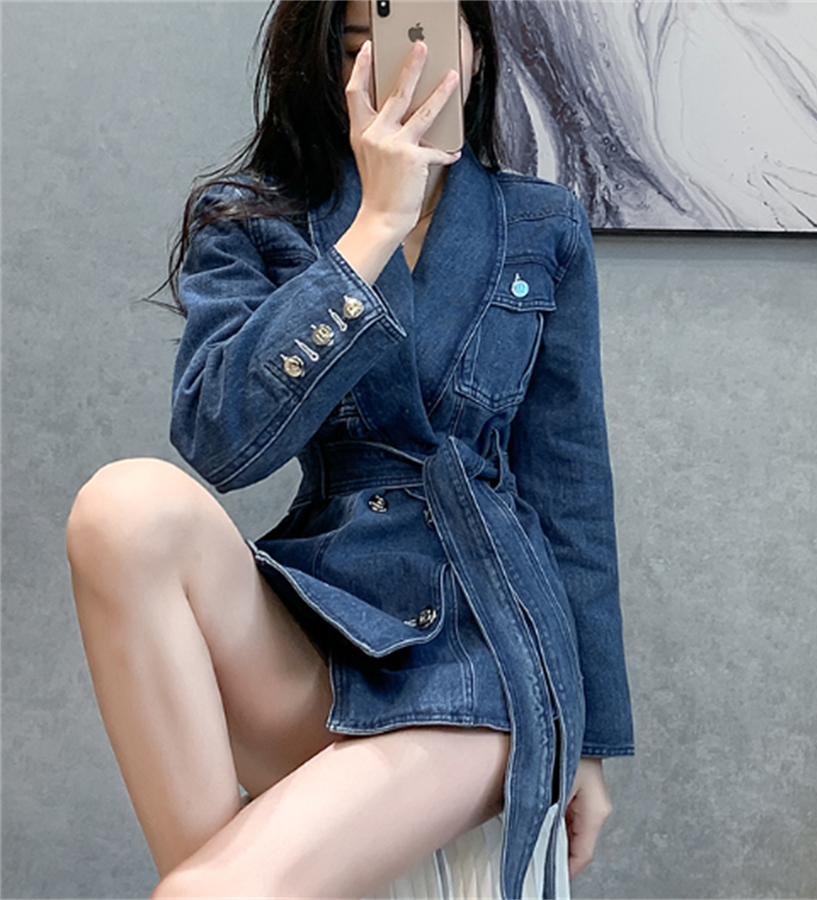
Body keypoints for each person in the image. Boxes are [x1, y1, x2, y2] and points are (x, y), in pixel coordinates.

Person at [65, 0, 633, 897]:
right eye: (352, 45)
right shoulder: (252, 219)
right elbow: (218, 443)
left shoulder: (541, 224)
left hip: (483, 646)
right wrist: (373, 227)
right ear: (317, 63)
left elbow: (572, 494)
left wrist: (589, 743)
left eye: (417, 35)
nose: (389, 67)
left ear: (474, 48)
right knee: (123, 506)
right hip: (320, 625)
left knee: (207, 891)